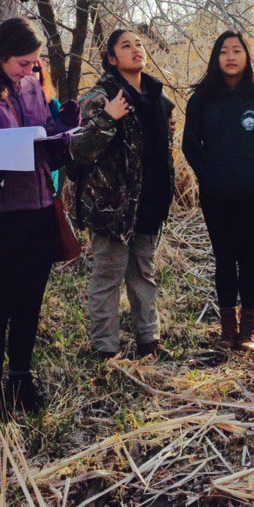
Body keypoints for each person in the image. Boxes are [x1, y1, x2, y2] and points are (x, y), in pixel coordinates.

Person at [0, 18, 73, 415]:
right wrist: (29, 144)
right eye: (24, 63)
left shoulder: (31, 83)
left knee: (30, 300)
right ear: (1, 54)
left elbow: (44, 130)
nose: (31, 70)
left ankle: (22, 379)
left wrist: (64, 127)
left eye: (34, 63)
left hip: (40, 205)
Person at [70, 29, 175, 360]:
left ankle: (149, 341)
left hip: (150, 203)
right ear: (112, 59)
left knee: (144, 274)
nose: (136, 50)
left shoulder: (158, 99)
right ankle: (105, 349)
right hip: (110, 208)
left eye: (140, 44)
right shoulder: (99, 98)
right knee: (107, 278)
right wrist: (108, 118)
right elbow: (78, 151)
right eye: (126, 46)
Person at [182, 31, 254, 352]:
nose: (230, 57)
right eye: (224, 51)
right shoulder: (202, 98)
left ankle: (249, 330)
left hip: (253, 192)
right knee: (224, 258)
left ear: (247, 56)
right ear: (216, 57)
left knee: (249, 257)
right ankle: (228, 329)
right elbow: (190, 144)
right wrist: (209, 177)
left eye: (237, 50)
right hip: (215, 195)